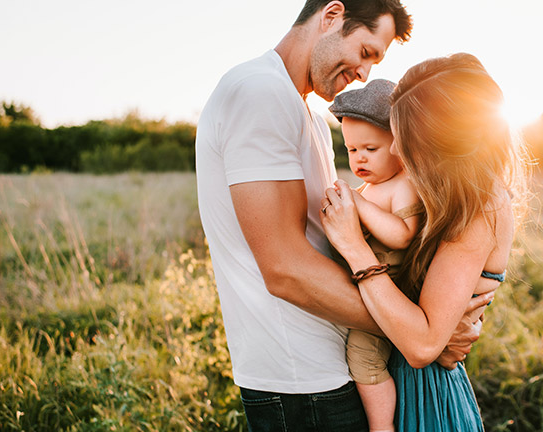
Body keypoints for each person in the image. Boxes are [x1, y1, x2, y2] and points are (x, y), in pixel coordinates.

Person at [195, 1, 493, 431]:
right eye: (367, 52)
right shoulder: (260, 92)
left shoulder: (309, 115)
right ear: (332, 15)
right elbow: (284, 269)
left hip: (335, 363)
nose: (365, 73)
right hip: (302, 377)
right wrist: (423, 332)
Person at [321, 53, 529, 431]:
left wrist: (355, 248)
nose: (396, 152)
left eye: (405, 141)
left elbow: (421, 345)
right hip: (397, 375)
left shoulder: (480, 206)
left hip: (425, 395)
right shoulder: (445, 196)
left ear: (441, 142)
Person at [329, 78, 422, 432]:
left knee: (364, 358)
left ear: (399, 145)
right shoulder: (370, 187)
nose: (360, 158)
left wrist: (358, 203)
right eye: (352, 150)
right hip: (366, 291)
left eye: (370, 148)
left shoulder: (403, 184)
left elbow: (402, 235)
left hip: (393, 296)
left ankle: (382, 427)